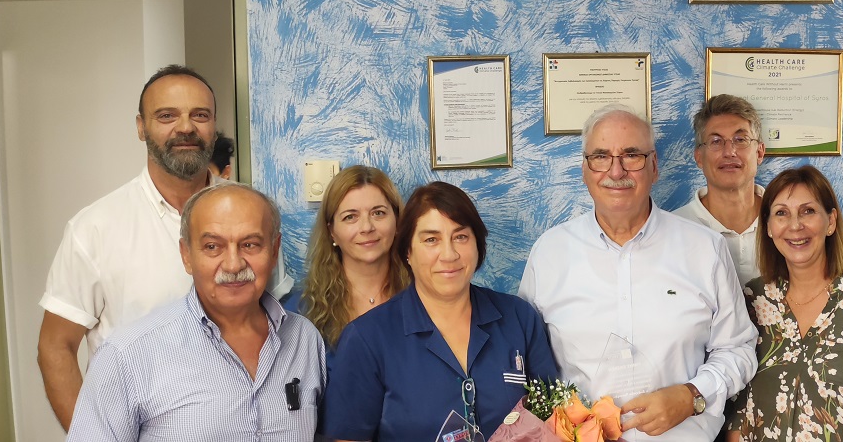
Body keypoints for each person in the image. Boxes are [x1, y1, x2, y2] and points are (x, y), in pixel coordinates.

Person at [36, 64, 293, 430]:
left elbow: (280, 324)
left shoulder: (253, 214)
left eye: (199, 115)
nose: (185, 127)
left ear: (213, 124)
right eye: (167, 115)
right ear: (141, 127)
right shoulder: (95, 229)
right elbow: (55, 347)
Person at [519, 104, 756, 441]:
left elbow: (738, 349)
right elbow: (524, 360)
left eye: (631, 155)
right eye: (601, 156)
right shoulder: (549, 254)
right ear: (584, 169)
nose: (616, 171)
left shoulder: (705, 248)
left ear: (654, 166)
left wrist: (692, 395)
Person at [67, 183, 325, 441]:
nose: (233, 264)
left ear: (274, 250)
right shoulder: (126, 356)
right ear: (186, 255)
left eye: (250, 244)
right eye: (213, 246)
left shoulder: (304, 340)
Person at [324, 181, 558, 441]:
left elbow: (554, 420)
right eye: (431, 240)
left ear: (478, 245)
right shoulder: (367, 338)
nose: (449, 254)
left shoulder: (519, 318)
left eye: (460, 237)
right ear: (408, 251)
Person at [725, 165, 843, 441]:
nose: (795, 225)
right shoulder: (752, 301)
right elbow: (736, 407)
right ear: (768, 227)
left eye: (808, 211)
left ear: (831, 221)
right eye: (781, 213)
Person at [284, 165, 410, 371]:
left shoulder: (423, 297)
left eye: (378, 213)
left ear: (397, 222)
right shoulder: (302, 311)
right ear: (332, 231)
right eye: (350, 217)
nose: (367, 227)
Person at [673, 94, 767, 287]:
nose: (729, 152)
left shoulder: (789, 223)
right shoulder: (673, 229)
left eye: (740, 139)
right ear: (699, 157)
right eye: (716, 141)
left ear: (759, 152)